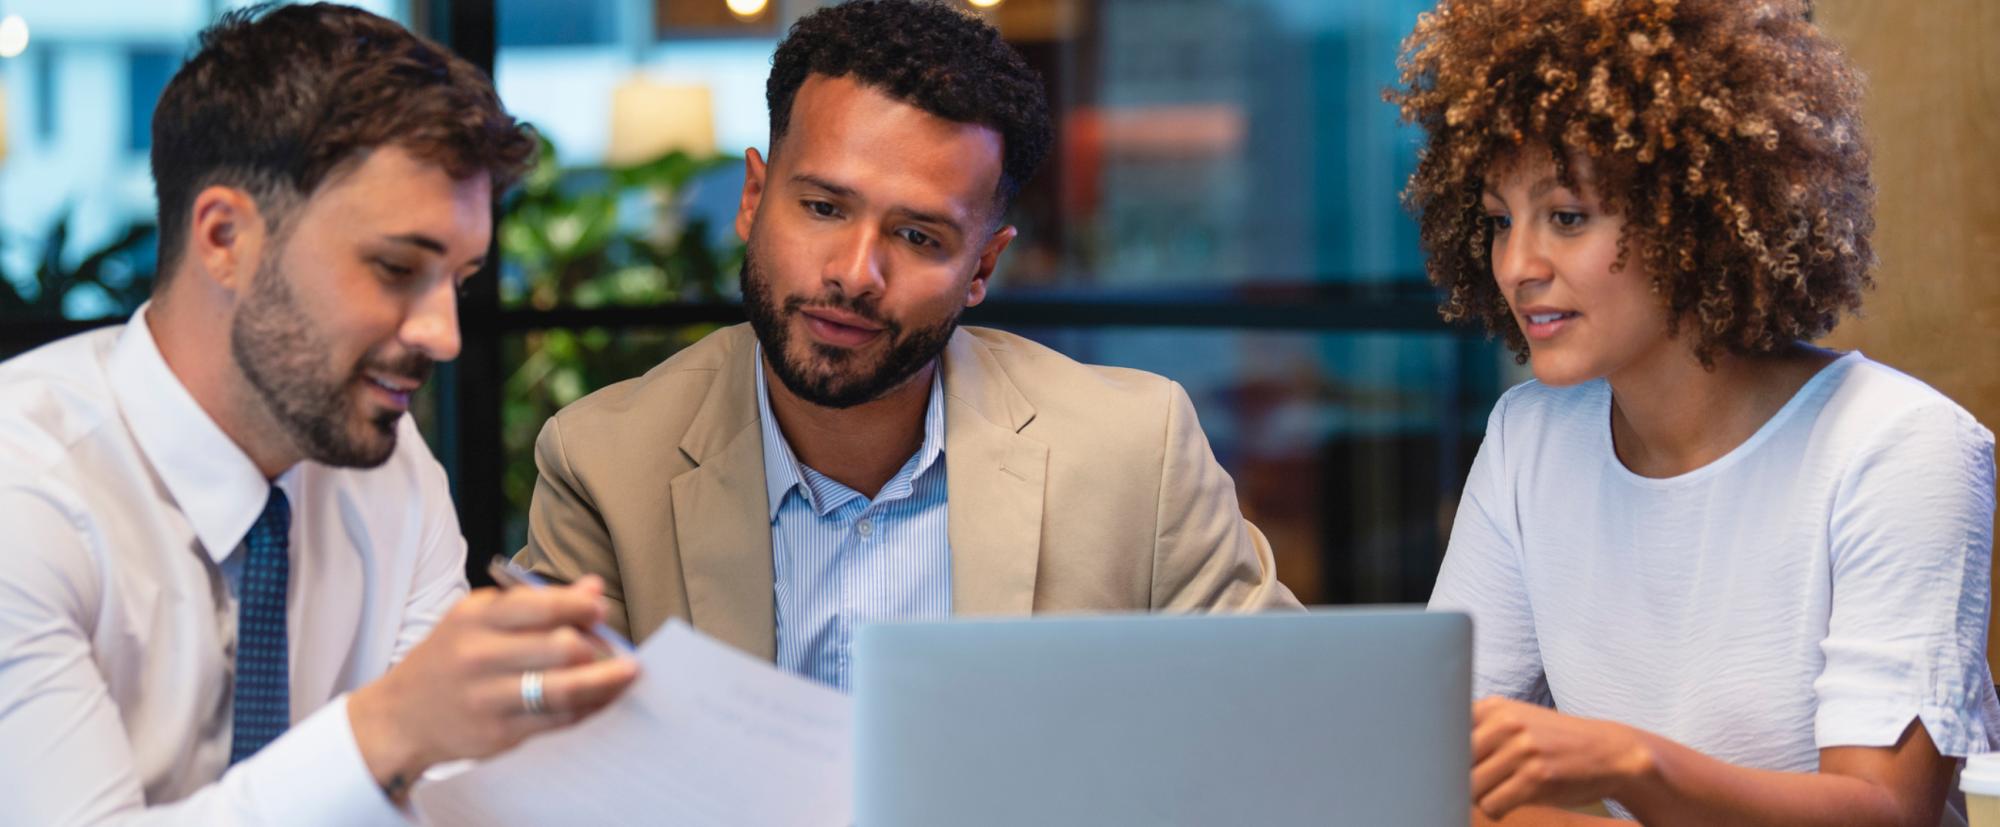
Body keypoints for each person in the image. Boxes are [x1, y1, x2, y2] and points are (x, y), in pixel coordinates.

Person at [515, 0, 1298, 690]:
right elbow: (555, 763)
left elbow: (1290, 709)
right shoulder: (604, 464)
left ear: (982, 267)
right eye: (823, 207)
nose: (856, 275)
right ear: (754, 199)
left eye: (920, 235)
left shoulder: (1137, 450)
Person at [0, 5, 638, 823]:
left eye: (461, 279)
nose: (444, 336)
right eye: (396, 266)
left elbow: (445, 801)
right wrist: (386, 731)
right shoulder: (25, 492)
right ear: (225, 236)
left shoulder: (394, 469)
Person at [1390, 0, 1999, 824]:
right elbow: (1436, 774)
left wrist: (1632, 763)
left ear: (1698, 215)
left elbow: (1885, 811)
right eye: (1500, 221)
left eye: (1567, 217)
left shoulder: (1896, 446)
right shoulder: (1527, 438)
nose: (1518, 264)